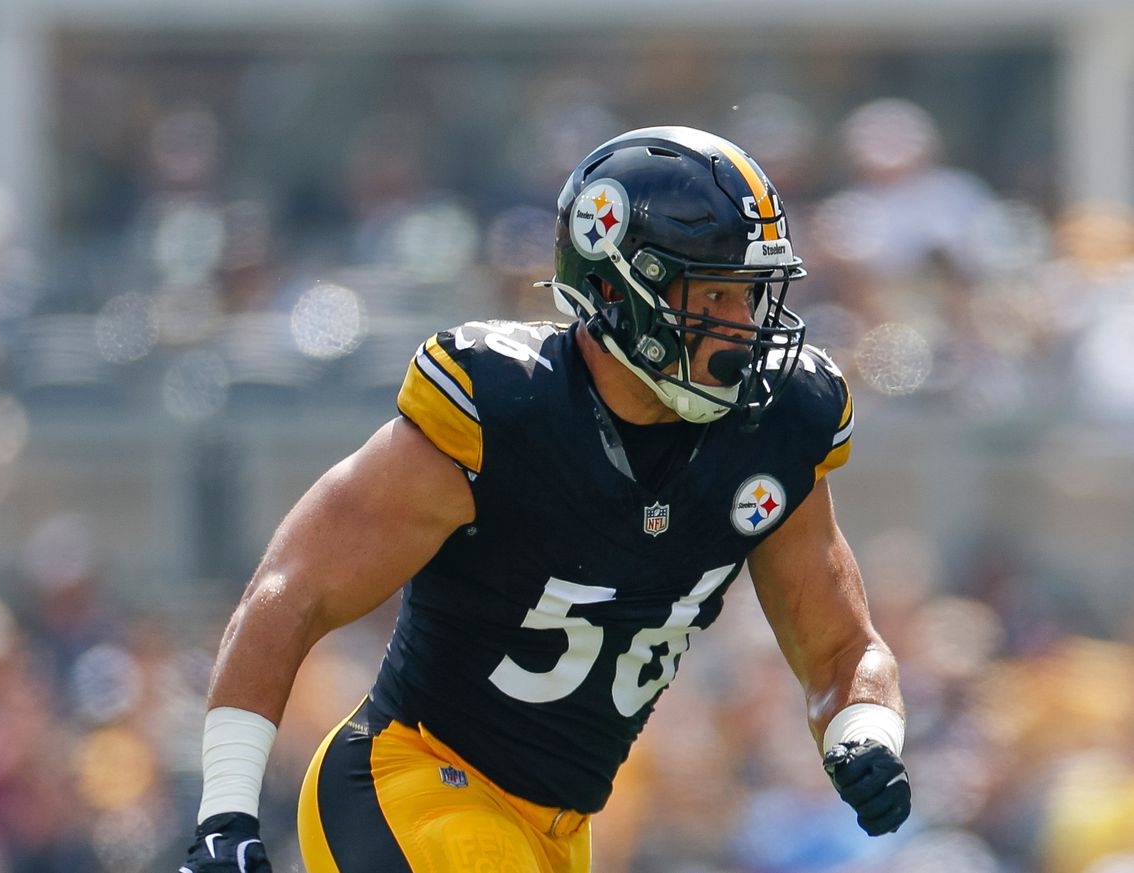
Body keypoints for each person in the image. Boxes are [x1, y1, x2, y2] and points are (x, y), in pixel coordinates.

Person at [176, 126, 911, 873]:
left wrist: (867, 730)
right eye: (715, 293)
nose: (743, 327)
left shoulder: (774, 427)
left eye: (751, 295)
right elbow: (290, 589)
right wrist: (225, 812)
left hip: (557, 831)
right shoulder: (502, 409)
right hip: (413, 782)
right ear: (620, 289)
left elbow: (842, 646)